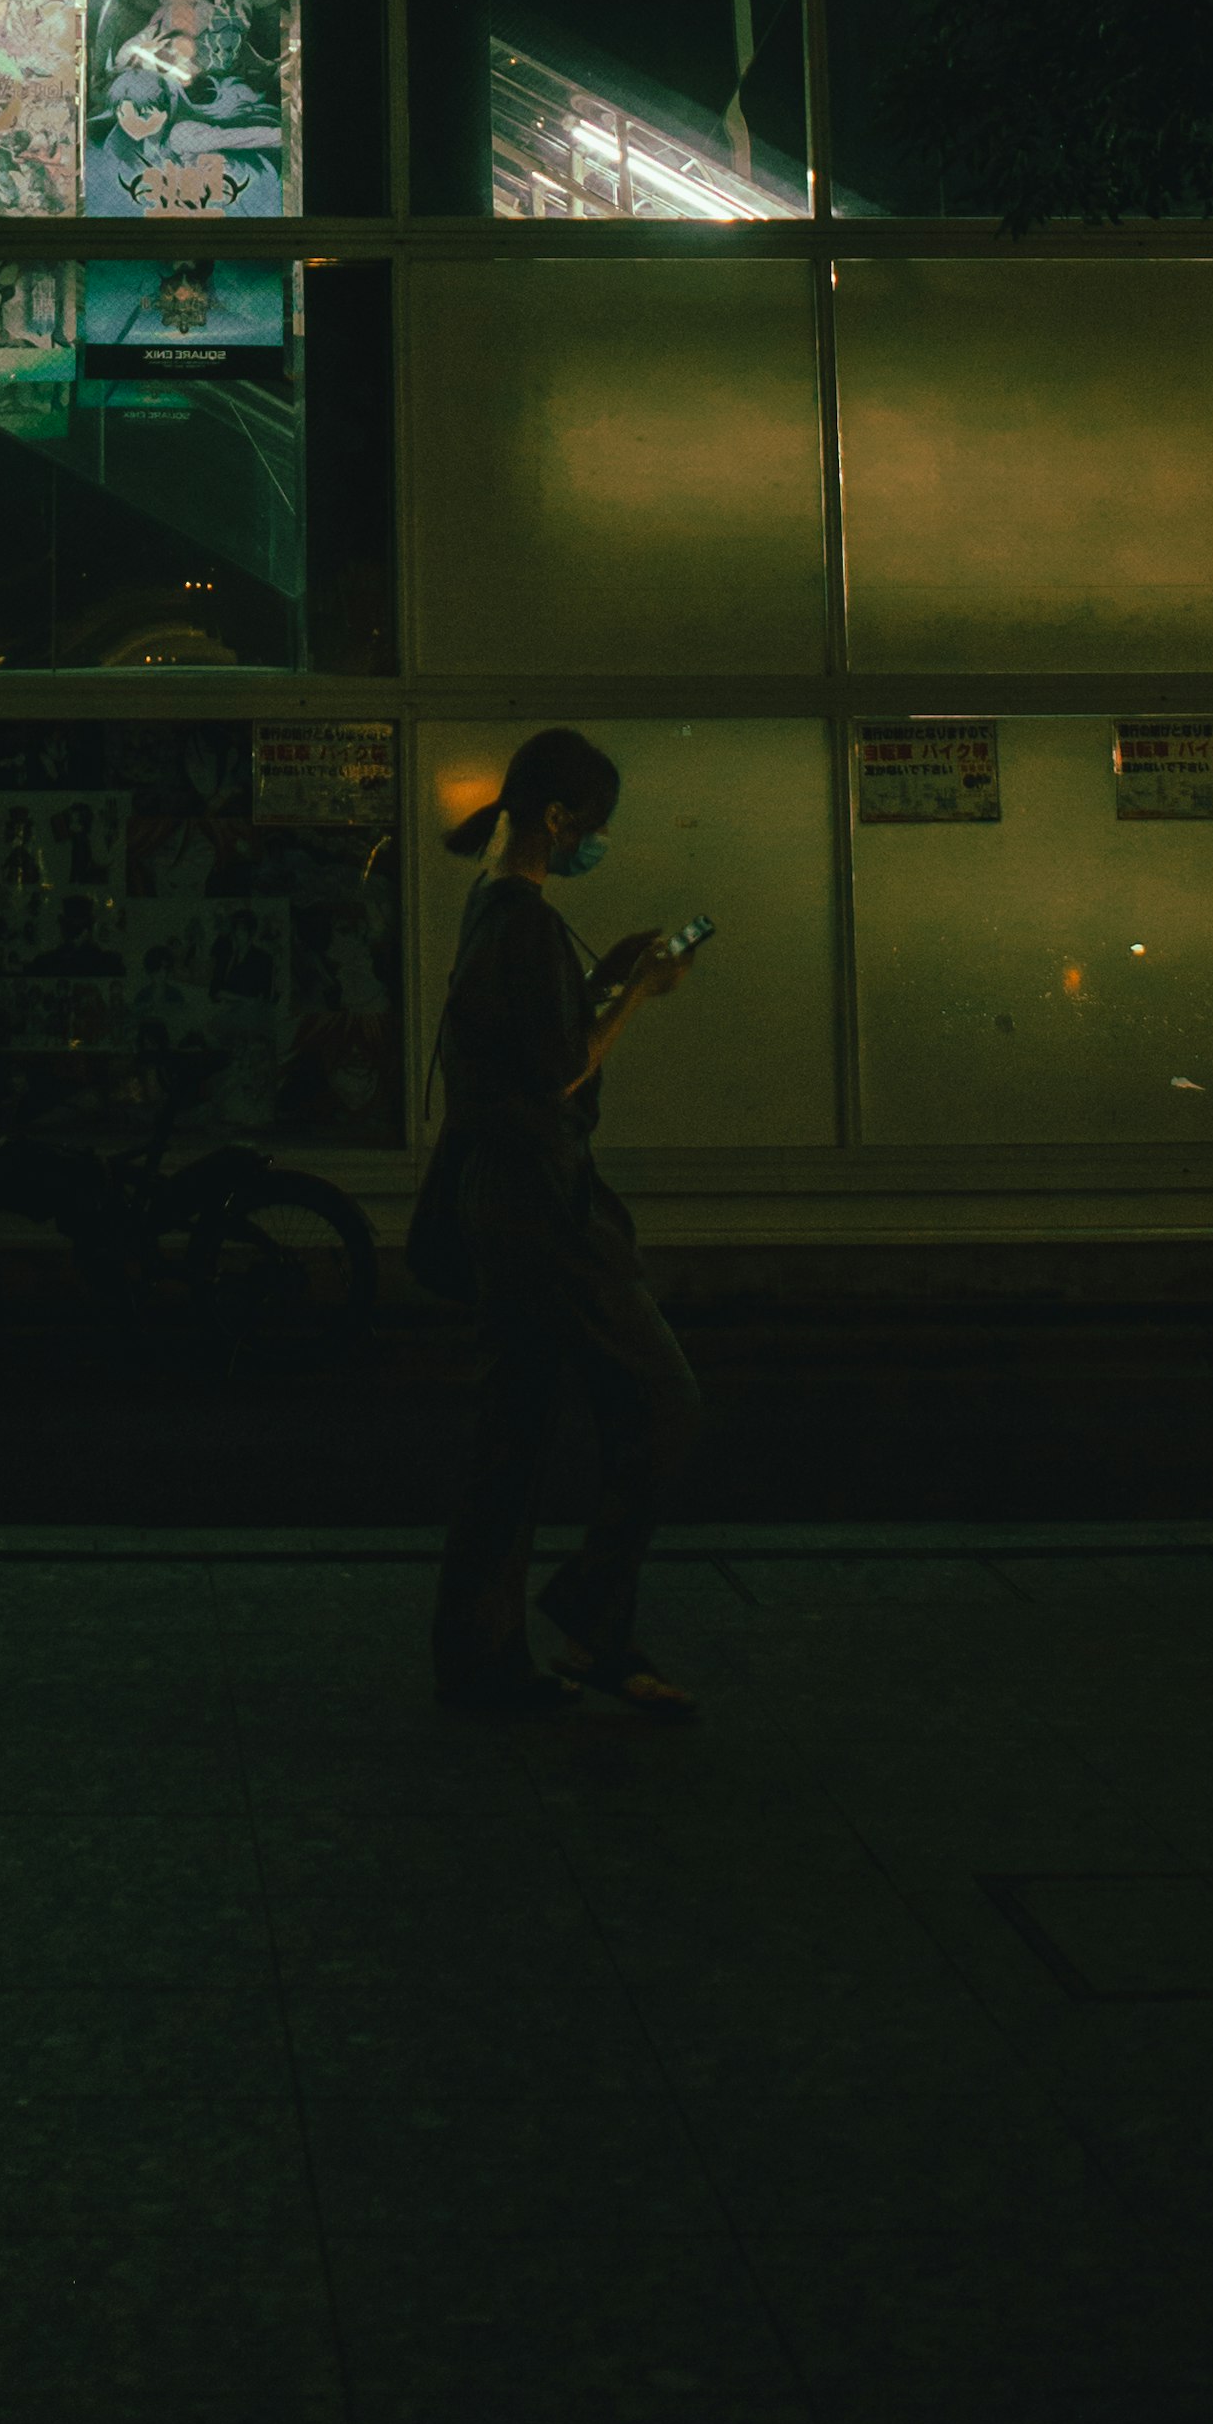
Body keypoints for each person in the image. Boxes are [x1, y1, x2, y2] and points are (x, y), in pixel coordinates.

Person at [427, 725, 705, 1718]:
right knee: (664, 1402)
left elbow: (530, 1038)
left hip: (501, 1202)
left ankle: (486, 1647)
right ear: (559, 817)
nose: (597, 843)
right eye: (594, 826)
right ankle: (590, 1606)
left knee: (515, 1426)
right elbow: (560, 1065)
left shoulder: (490, 910)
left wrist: (608, 977)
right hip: (550, 1207)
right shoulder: (524, 921)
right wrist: (640, 988)